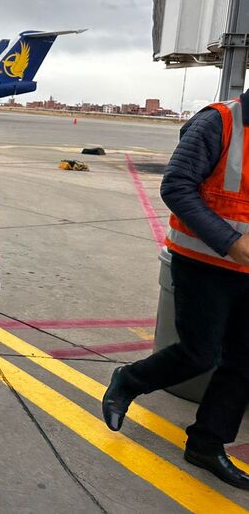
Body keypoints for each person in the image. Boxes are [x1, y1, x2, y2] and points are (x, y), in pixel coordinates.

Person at [102, 92, 249, 490]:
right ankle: (129, 381)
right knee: (200, 353)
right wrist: (230, 241)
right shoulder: (219, 122)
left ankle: (207, 443)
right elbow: (177, 187)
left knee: (243, 362)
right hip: (205, 263)